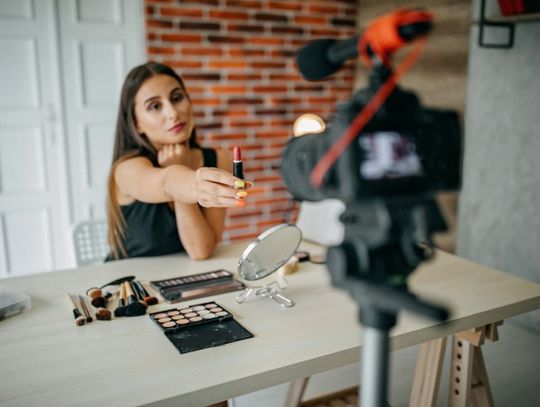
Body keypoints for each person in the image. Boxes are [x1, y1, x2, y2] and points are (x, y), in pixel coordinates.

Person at [106, 61, 248, 261]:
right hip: (129, 283)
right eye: (155, 106)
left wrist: (180, 169)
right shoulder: (127, 169)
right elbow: (166, 182)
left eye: (176, 98)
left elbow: (200, 250)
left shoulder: (218, 159)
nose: (172, 113)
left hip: (182, 279)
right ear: (137, 124)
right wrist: (184, 175)